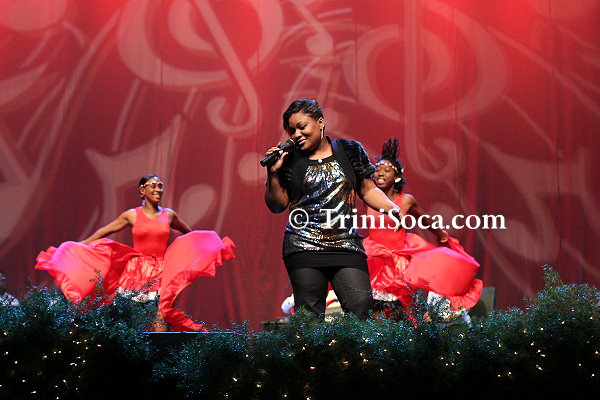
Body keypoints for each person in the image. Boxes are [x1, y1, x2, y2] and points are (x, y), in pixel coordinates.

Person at [36, 174, 235, 331]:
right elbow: (104, 231)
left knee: (160, 312)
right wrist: (82, 244)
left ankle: (160, 355)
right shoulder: (131, 215)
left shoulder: (169, 215)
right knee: (128, 312)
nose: (158, 190)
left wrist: (202, 246)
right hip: (135, 270)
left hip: (161, 270)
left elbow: (189, 235)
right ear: (142, 190)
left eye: (160, 186)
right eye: (153, 186)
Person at [264, 98, 404, 321]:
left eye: (302, 127)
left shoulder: (349, 150)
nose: (297, 134)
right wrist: (273, 173)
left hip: (346, 245)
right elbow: (277, 205)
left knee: (361, 307)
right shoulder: (289, 160)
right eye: (292, 130)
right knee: (310, 318)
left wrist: (390, 207)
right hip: (303, 246)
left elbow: (367, 190)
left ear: (320, 122)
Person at [363, 137, 482, 321]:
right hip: (374, 259)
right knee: (373, 309)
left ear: (397, 177)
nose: (380, 174)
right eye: (377, 170)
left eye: (386, 170)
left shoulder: (406, 200)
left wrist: (440, 233)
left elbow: (424, 219)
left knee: (402, 309)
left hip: (398, 262)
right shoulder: (369, 198)